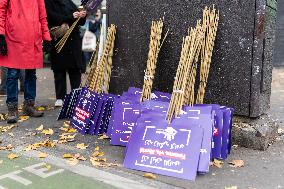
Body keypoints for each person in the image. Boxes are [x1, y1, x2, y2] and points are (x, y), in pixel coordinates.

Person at [0, 0, 51, 123]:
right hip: (13, 36)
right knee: (12, 73)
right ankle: (12, 108)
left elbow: (42, 14)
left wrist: (46, 36)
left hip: (32, 36)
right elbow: (1, 10)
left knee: (31, 73)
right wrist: (0, 33)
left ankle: (29, 105)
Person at [44, 0, 86, 107]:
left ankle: (76, 95)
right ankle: (60, 97)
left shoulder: (69, 2)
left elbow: (80, 22)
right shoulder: (49, 2)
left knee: (75, 69)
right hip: (59, 40)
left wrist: (82, 16)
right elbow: (51, 16)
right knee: (59, 70)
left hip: (73, 41)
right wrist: (70, 17)